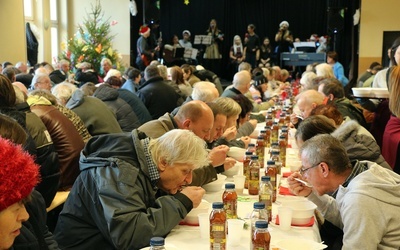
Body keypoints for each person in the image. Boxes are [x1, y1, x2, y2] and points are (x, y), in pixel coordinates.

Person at [54, 129, 209, 249]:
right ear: (163, 162)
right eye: (185, 171)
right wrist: (180, 203)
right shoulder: (119, 172)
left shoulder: (146, 161)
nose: (188, 179)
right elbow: (129, 235)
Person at [288, 134, 400, 249]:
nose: (304, 176)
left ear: (323, 169)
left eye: (305, 170)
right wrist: (310, 193)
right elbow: (344, 216)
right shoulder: (363, 171)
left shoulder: (360, 199)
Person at [52, 82, 123, 136]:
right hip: (120, 141)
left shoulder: (73, 113)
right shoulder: (94, 99)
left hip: (106, 149)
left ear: (62, 100)